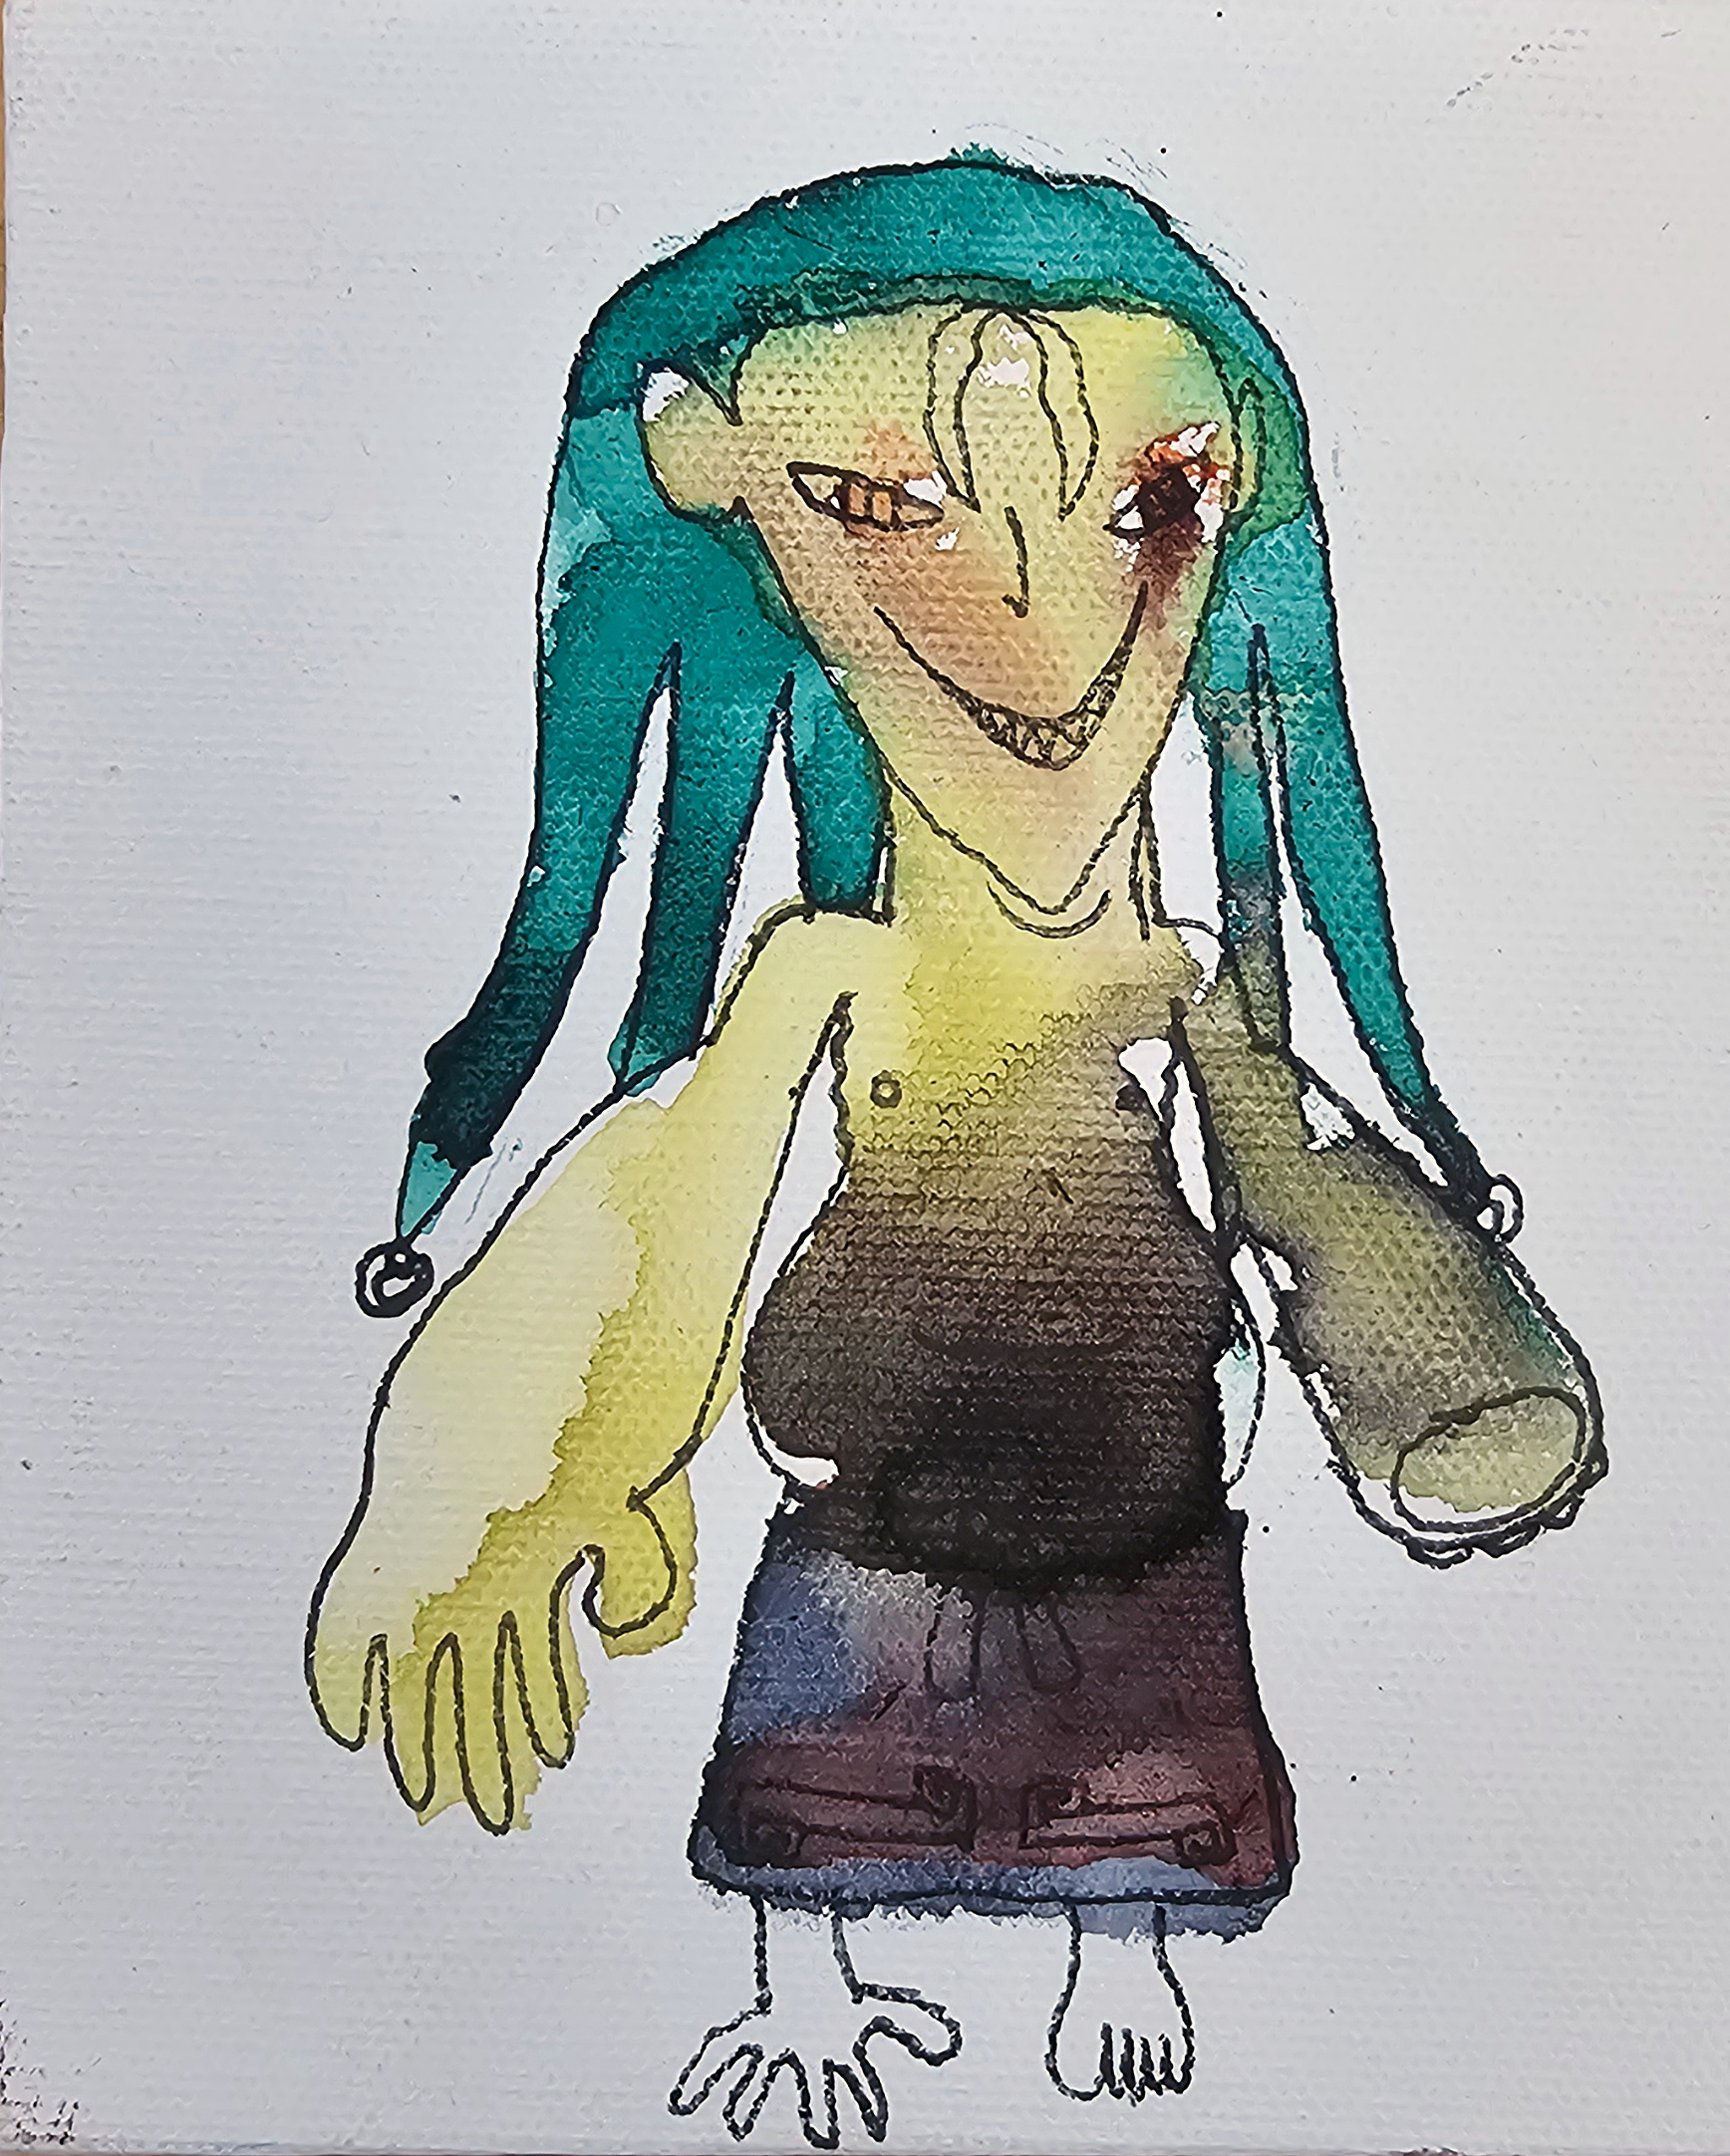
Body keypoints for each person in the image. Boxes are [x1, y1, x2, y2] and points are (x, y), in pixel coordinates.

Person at [307, 156, 1601, 2144]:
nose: (1037, 617)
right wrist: (508, 1449)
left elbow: (1302, 1180)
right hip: (870, 1509)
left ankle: (1123, 1937)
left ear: (1229, 502)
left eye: (1149, 508)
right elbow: (675, 1184)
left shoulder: (1183, 972)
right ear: (717, 477)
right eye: (888, 508)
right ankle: (807, 1978)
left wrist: (1446, 1358)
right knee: (824, 1767)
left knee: (1145, 1753)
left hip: (1140, 1497)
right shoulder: (833, 965)